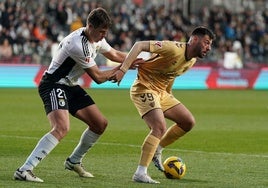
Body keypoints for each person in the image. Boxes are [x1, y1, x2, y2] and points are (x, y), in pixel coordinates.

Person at [14, 7, 129, 183]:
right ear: (90, 26)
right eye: (101, 32)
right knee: (61, 128)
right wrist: (122, 68)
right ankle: (25, 170)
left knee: (99, 124)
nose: (103, 36)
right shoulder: (78, 44)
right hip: (53, 84)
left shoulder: (96, 39)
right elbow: (97, 77)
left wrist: (134, 60)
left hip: (71, 85)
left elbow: (114, 54)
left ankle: (73, 161)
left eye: (105, 33)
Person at [110, 26, 215, 184]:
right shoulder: (173, 48)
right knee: (159, 127)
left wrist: (169, 94)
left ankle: (158, 148)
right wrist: (123, 70)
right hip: (143, 87)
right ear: (194, 40)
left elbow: (171, 74)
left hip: (161, 93)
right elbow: (139, 45)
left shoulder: (192, 60)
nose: (209, 47)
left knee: (188, 122)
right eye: (206, 43)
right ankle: (140, 172)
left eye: (210, 44)